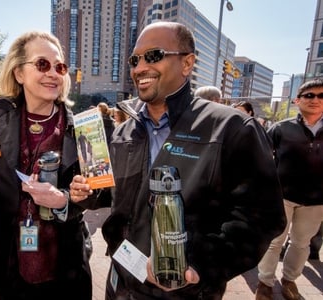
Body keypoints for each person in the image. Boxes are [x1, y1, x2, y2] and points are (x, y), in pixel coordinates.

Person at [69, 21, 285, 299]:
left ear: (187, 63)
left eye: (154, 55)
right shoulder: (123, 132)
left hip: (185, 290)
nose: (139, 67)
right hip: (121, 279)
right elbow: (116, 196)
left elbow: (262, 218)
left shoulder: (231, 128)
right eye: (135, 60)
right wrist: (88, 194)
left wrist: (199, 265)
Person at [0, 31, 93, 299]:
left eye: (60, 67)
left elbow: (102, 193)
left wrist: (63, 201)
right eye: (42, 64)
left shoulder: (83, 128)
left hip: (63, 264)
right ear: (19, 73)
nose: (53, 73)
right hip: (4, 262)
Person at [255, 78, 323, 300]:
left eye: (321, 96)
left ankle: (289, 281)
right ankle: (264, 282)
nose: (315, 100)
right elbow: (261, 158)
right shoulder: (281, 128)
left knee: (301, 243)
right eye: (309, 95)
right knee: (274, 241)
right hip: (281, 196)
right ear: (297, 100)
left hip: (316, 201)